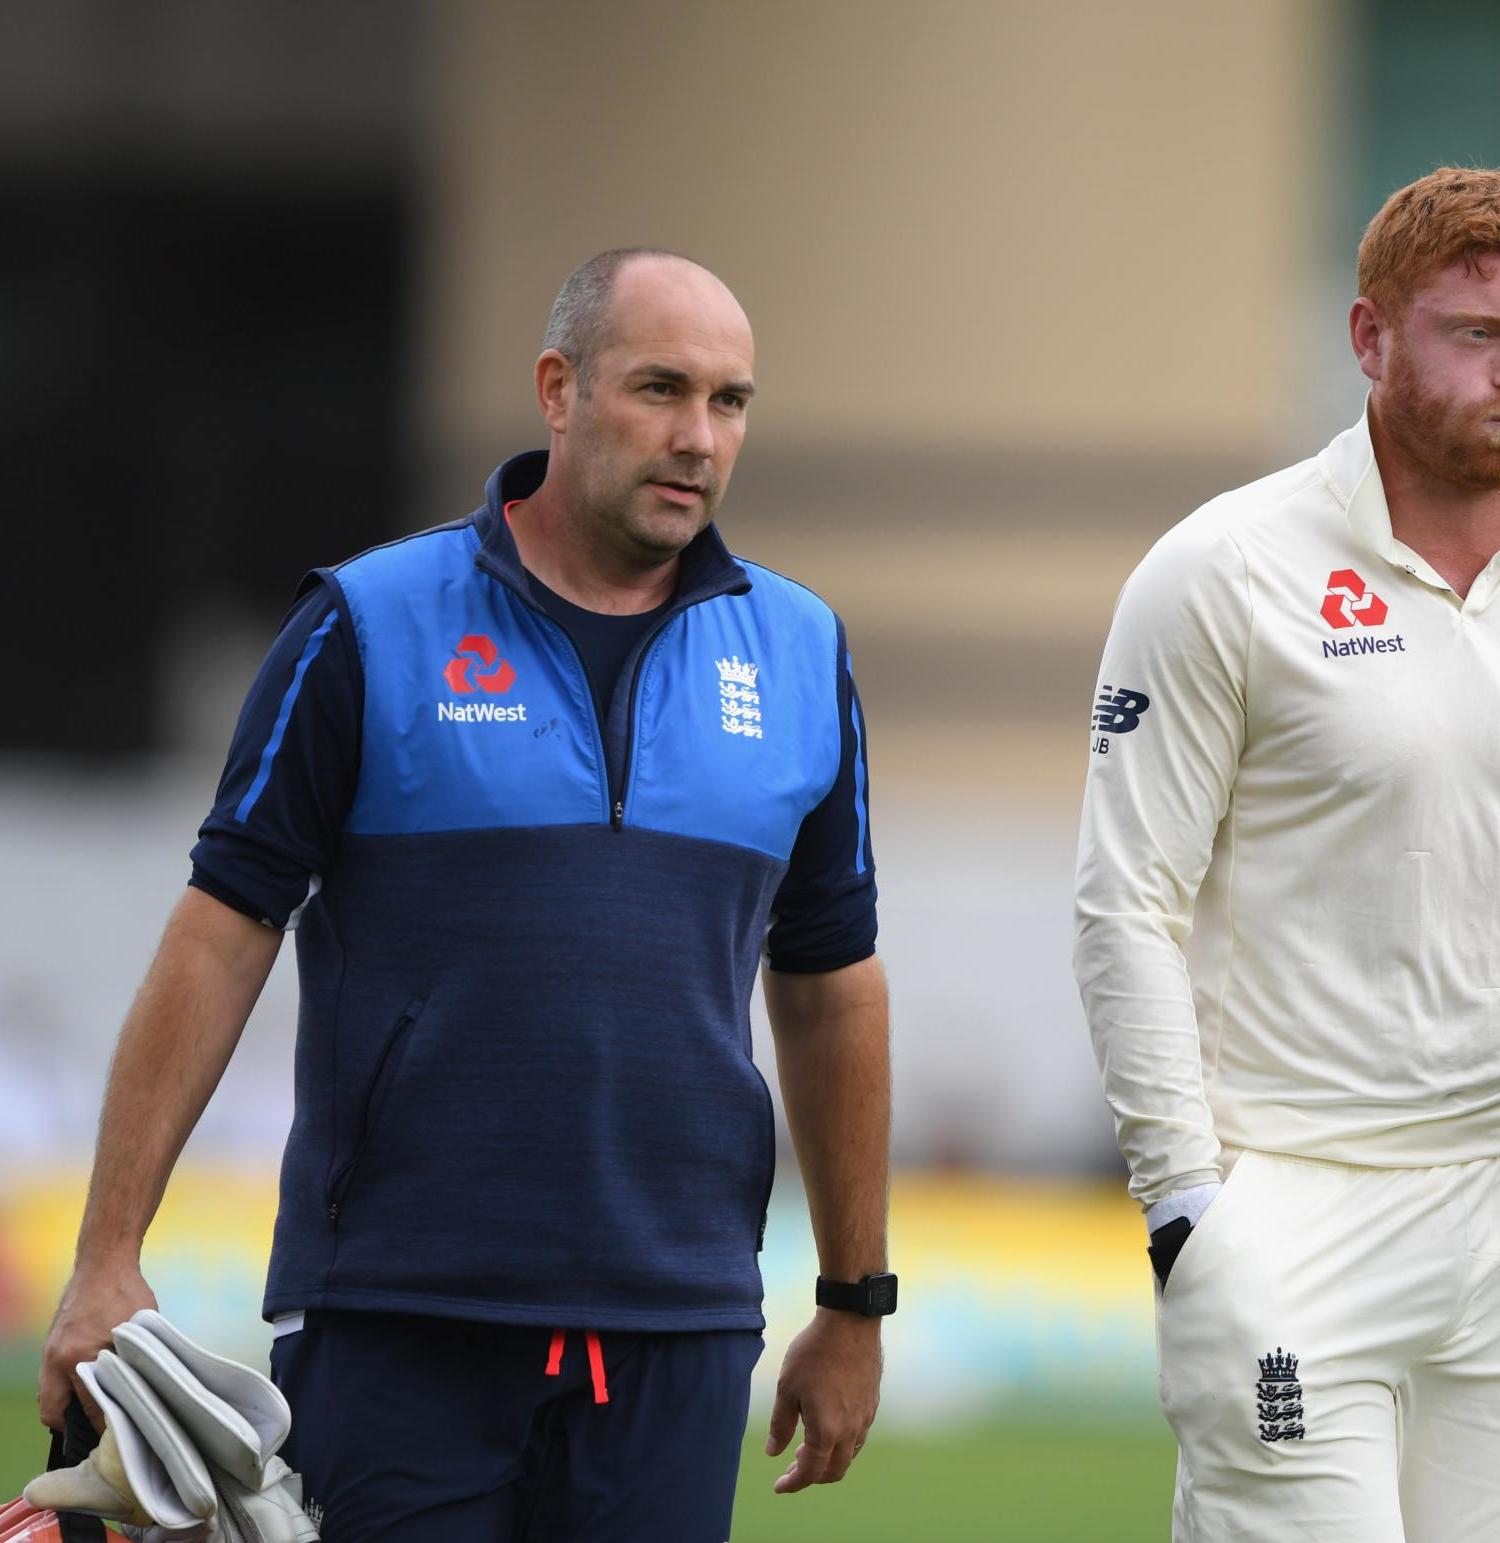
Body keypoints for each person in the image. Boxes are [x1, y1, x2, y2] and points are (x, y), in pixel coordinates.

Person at [39, 248, 895, 1542]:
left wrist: (853, 1299)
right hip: (402, 1318)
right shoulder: (369, 624)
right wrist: (107, 1258)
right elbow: (221, 934)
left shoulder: (799, 650)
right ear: (556, 390)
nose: (696, 437)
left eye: (729, 403)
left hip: (678, 1327)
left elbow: (830, 985)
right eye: (659, 389)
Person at [1073, 168, 1500, 1541]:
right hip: (1289, 1210)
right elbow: (1126, 902)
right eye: (1473, 334)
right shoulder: (1221, 569)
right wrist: (1186, 1208)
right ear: (1371, 339)